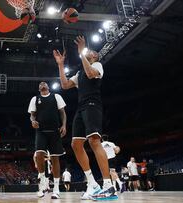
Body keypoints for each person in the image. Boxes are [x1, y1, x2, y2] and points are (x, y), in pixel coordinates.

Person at [53, 35, 117, 201]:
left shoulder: (97, 65)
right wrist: (60, 65)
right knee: (75, 144)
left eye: (91, 52)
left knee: (94, 141)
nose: (89, 52)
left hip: (93, 105)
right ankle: (92, 184)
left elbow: (90, 74)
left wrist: (81, 53)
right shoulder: (79, 72)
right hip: (81, 108)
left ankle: (108, 186)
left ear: (95, 56)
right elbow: (65, 85)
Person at [28, 81, 67, 199]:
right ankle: (43, 182)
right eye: (40, 84)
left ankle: (56, 188)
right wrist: (32, 121)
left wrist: (64, 125)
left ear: (48, 87)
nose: (42, 84)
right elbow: (32, 114)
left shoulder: (56, 96)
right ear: (39, 88)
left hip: (55, 130)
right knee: (39, 154)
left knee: (55, 158)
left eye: (45, 83)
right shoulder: (35, 99)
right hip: (41, 131)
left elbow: (62, 113)